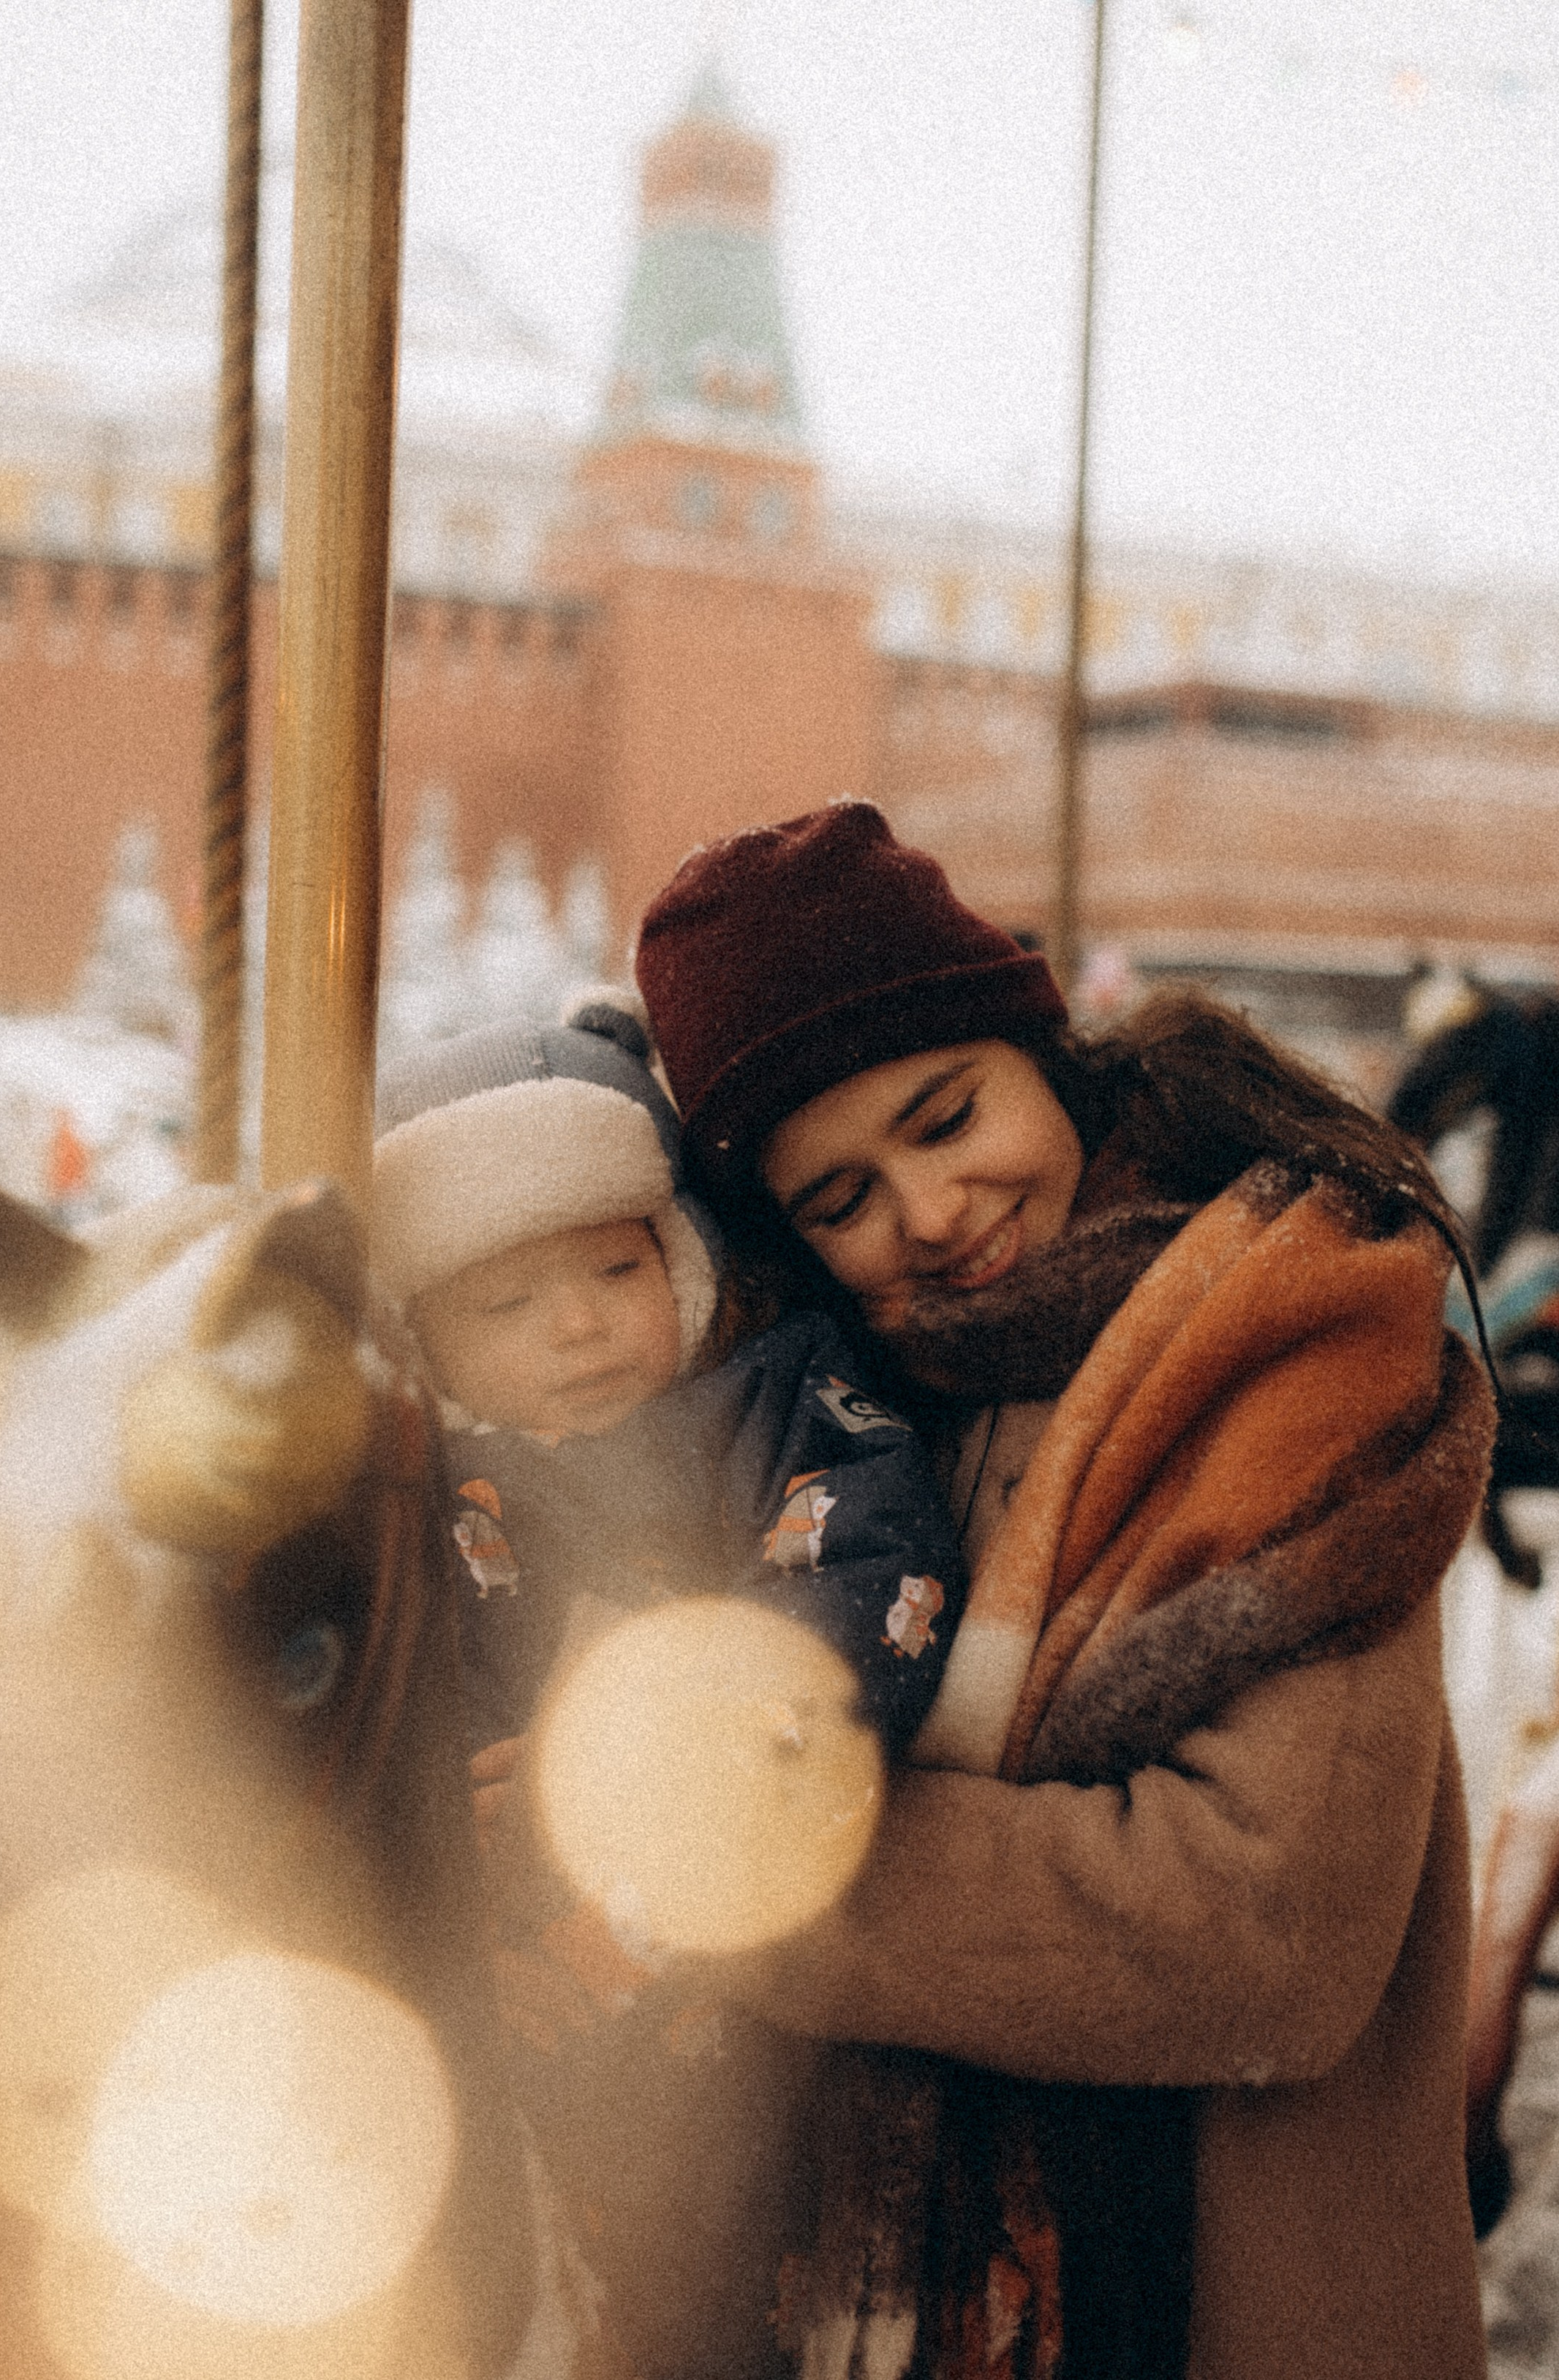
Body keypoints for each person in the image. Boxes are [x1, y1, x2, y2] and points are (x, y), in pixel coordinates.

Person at [634, 799, 1496, 2380]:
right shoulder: (841, 1423)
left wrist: (746, 1870)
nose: (933, 1213)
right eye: (844, 1200)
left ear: (1040, 1049)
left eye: (948, 1115)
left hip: (1223, 2304)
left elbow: (1262, 1924)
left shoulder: (1297, 1353)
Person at [366, 992, 963, 2380]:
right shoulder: (412, 1487)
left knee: (716, 2279)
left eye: (616, 1272)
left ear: (682, 1260)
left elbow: (871, 1569)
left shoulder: (769, 1403)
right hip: (494, 1963)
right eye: (507, 1300)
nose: (576, 1327)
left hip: (732, 1961)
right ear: (427, 1331)